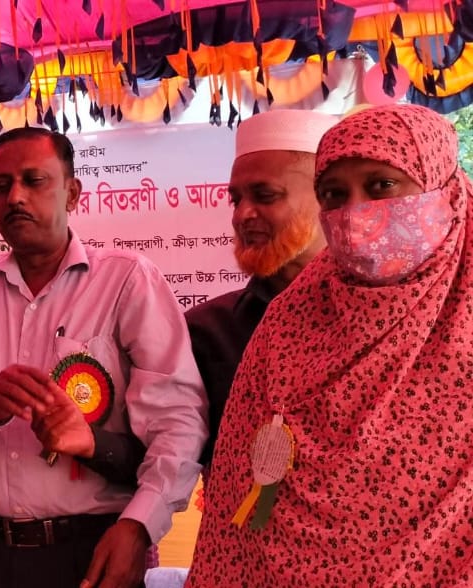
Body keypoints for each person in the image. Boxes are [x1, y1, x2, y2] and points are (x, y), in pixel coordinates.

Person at [189, 105, 473, 585]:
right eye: (335, 195)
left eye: (382, 185)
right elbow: (236, 502)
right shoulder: (283, 327)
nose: (357, 213)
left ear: (444, 192)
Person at [0, 127, 207, 588]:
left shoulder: (126, 280)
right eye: (1, 186)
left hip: (87, 547)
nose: (15, 197)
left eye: (34, 181)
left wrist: (139, 527)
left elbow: (177, 421)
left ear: (72, 193)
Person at [186, 109, 337, 473]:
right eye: (235, 200)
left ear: (326, 198)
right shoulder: (206, 330)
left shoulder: (383, 317)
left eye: (265, 196)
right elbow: (175, 449)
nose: (242, 215)